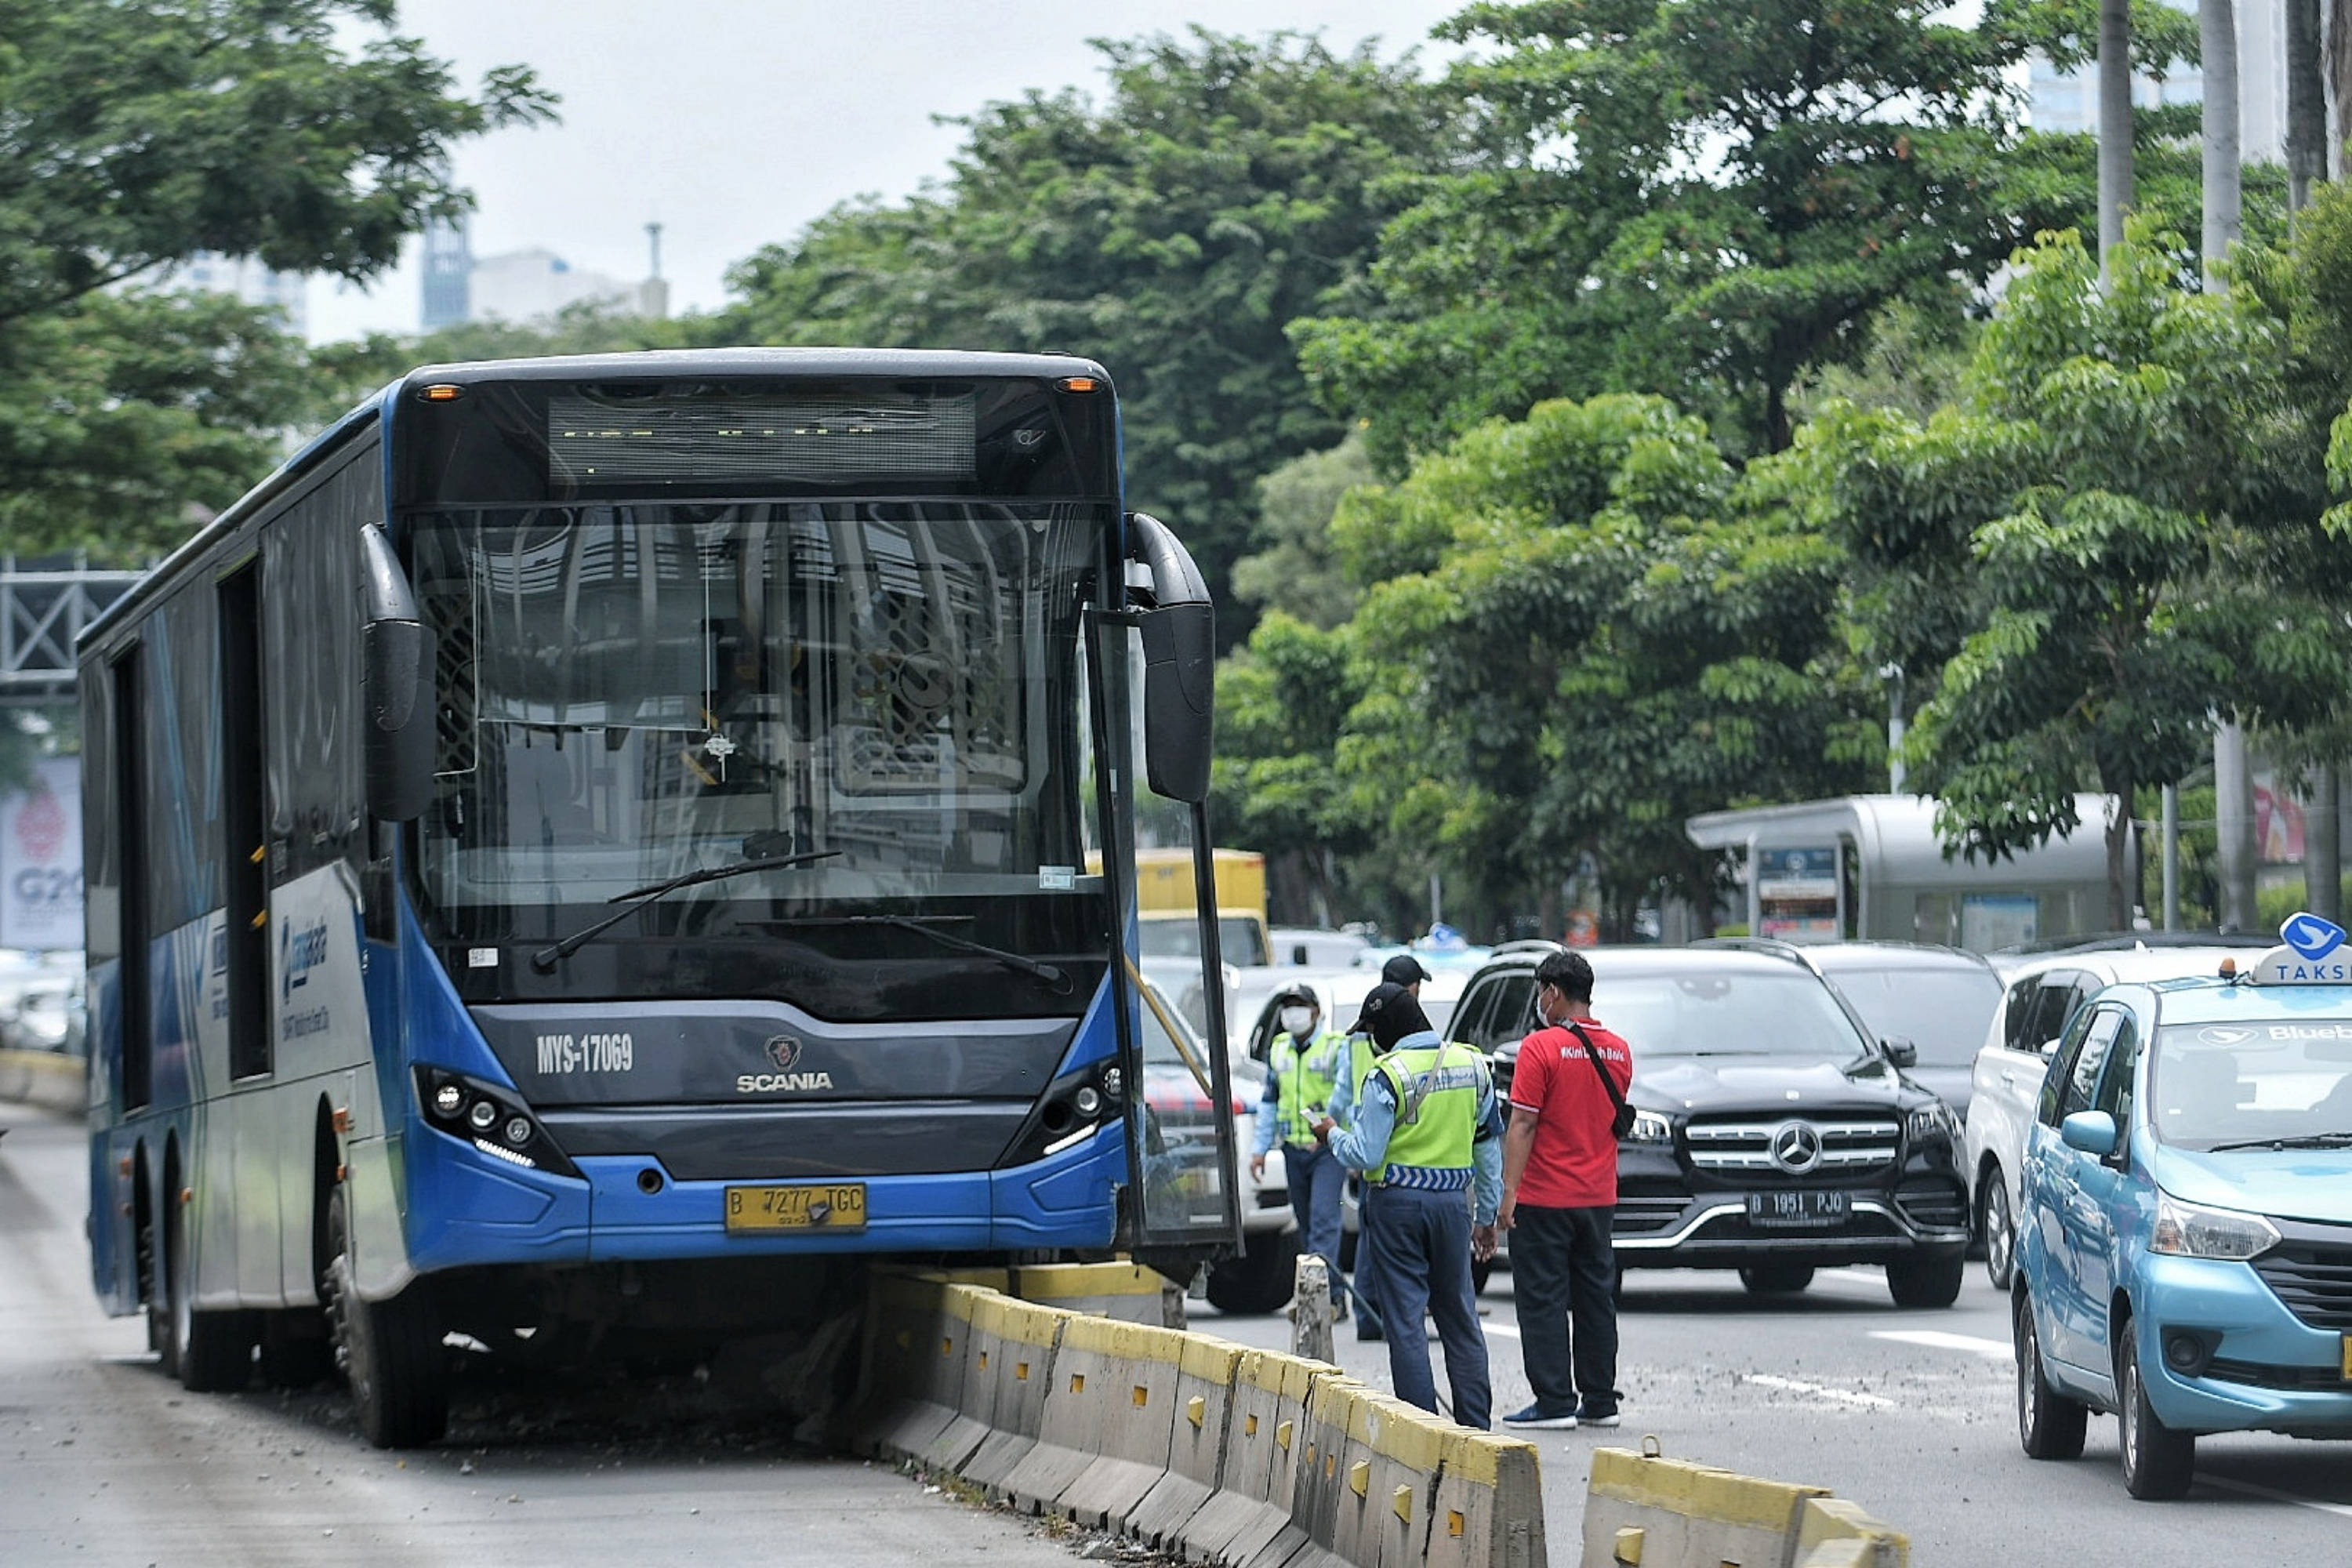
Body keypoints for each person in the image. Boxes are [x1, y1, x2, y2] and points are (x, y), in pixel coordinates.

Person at [1316, 982, 1504, 1428]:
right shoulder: (1473, 1066)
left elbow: (1366, 1154)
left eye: (1372, 1031)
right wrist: (1487, 1217)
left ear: (1387, 1027)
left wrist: (1330, 1134)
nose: (1371, 1040)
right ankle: (1477, 1428)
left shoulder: (1387, 1074)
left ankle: (1425, 1431)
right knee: (1459, 1315)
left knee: (1405, 1320)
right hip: (1453, 1206)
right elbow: (1488, 1151)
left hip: (1396, 1206)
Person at [1496, 949, 1631, 1431]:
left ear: (1553, 992)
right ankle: (1599, 1400)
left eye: (1540, 992)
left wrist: (1507, 1193)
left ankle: (1553, 1400)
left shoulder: (1540, 1048)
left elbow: (1524, 1123)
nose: (1540, 1001)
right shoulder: (1619, 1049)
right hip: (1598, 1198)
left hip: (1545, 1197)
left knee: (1543, 1298)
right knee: (1596, 1297)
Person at [1251, 985, 1352, 1321]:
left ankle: (1316, 1302)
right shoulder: (1279, 1049)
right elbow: (1269, 1101)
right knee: (1307, 1226)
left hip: (1327, 1149)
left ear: (1315, 1011)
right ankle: (1334, 1294)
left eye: (1300, 1006)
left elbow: (1345, 1093)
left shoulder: (1335, 1046)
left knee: (1324, 1219)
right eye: (1288, 1006)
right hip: (1294, 1149)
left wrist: (1328, 1131)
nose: (1293, 1013)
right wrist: (1259, 1150)